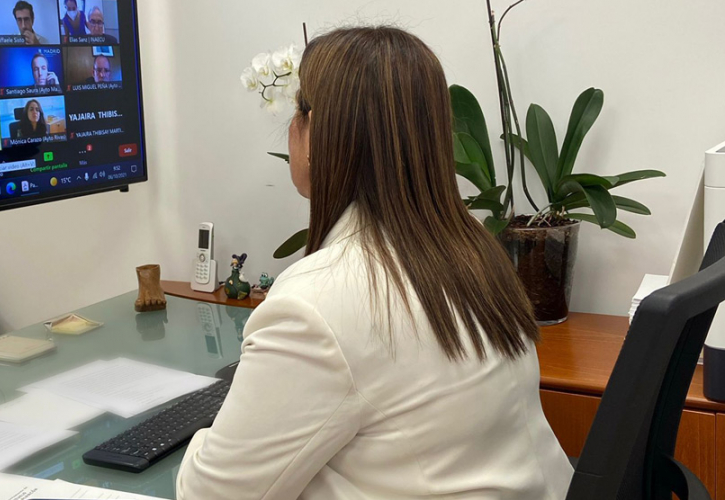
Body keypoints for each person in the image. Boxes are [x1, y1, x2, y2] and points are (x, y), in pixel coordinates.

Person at [175, 26, 573, 500]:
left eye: (298, 111)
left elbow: (211, 494)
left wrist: (215, 429)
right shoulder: (475, 252)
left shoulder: (317, 303)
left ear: (318, 133)